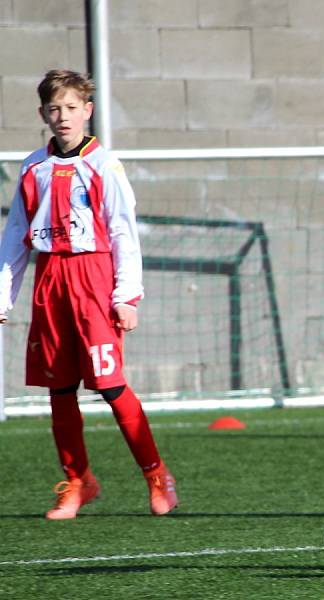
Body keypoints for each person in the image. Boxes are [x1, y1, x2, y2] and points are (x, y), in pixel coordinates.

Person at [0, 69, 178, 520]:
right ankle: (78, 481)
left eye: (72, 108)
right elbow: (16, 235)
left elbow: (123, 233)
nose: (64, 117)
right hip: (50, 280)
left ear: (88, 111)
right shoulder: (32, 167)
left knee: (111, 386)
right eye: (55, 109)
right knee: (59, 388)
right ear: (43, 113)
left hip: (94, 281)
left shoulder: (104, 166)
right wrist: (3, 295)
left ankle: (157, 475)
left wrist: (126, 296)